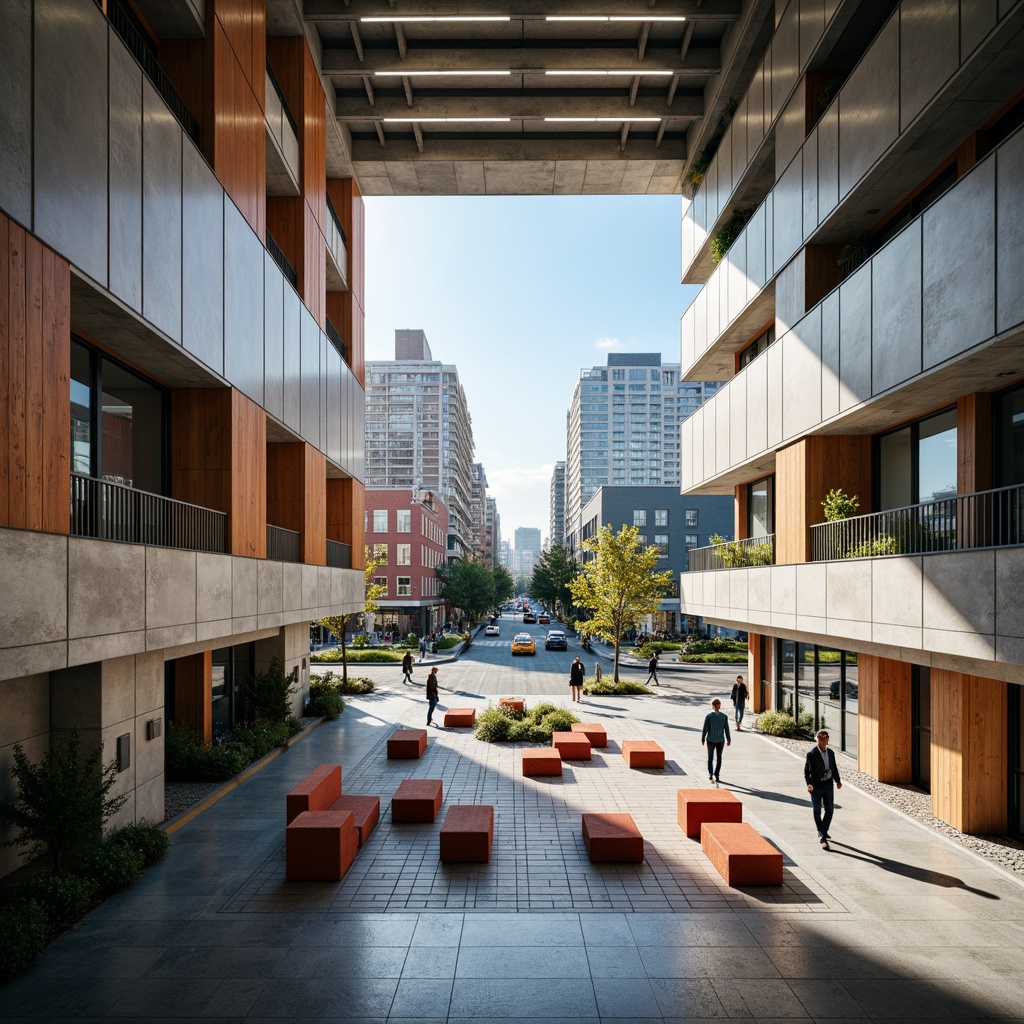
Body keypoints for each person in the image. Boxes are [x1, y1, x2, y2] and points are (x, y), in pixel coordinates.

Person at [804, 729, 842, 847]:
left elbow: (834, 768)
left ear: (828, 740)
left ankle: (822, 831)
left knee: (829, 810)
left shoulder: (830, 753)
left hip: (828, 785)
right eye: (821, 739)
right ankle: (822, 835)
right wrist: (809, 784)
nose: (823, 741)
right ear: (817, 740)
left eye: (825, 739)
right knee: (816, 810)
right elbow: (806, 771)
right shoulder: (812, 754)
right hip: (816, 786)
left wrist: (838, 781)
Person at [701, 698, 731, 783]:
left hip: (710, 740)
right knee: (719, 758)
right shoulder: (724, 717)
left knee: (710, 758)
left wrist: (703, 738)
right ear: (719, 706)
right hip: (720, 740)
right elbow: (726, 729)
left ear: (713, 706)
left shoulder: (709, 716)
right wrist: (728, 739)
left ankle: (710, 774)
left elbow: (705, 729)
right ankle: (717, 774)